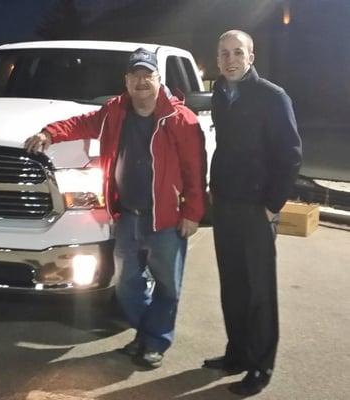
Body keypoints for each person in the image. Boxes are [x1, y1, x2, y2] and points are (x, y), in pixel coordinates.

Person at [25, 48, 206, 368]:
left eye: (147, 75)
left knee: (167, 285)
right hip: (127, 215)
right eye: (134, 75)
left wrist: (192, 213)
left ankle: (154, 343)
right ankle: (147, 332)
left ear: (158, 79)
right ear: (126, 80)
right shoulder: (114, 111)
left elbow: (195, 169)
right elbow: (82, 122)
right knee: (126, 287)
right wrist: (49, 133)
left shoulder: (180, 119)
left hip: (165, 217)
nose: (140, 81)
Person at [203, 30, 302, 395]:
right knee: (233, 284)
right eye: (224, 52)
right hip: (226, 204)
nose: (230, 59)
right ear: (217, 59)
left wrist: (272, 205)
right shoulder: (220, 94)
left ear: (251, 57)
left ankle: (261, 366)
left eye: (237, 52)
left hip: (256, 208)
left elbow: (290, 154)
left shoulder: (272, 97)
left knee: (260, 290)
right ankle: (238, 353)